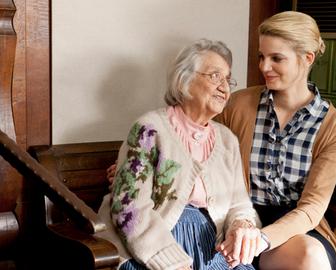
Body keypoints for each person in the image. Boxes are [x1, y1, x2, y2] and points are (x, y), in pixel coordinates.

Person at [97, 39, 266, 270]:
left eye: (228, 79)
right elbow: (129, 208)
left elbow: (239, 203)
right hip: (152, 247)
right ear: (184, 80)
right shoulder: (149, 129)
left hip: (212, 246)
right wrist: (170, 263)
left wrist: (241, 226)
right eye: (215, 76)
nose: (225, 87)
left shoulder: (227, 140)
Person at [214, 11, 336, 270]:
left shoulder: (332, 125)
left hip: (295, 226)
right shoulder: (238, 104)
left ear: (307, 59)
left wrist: (264, 238)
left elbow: (313, 207)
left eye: (276, 58)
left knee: (311, 258)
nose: (263, 67)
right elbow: (200, 150)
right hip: (239, 216)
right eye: (261, 56)